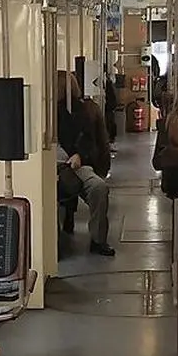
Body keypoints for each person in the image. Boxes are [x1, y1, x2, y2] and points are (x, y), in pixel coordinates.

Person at [56, 70, 115, 256]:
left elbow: (89, 141)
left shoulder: (82, 111)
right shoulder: (44, 113)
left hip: (77, 163)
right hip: (52, 165)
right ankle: (54, 241)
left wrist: (79, 155)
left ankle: (98, 239)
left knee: (98, 187)